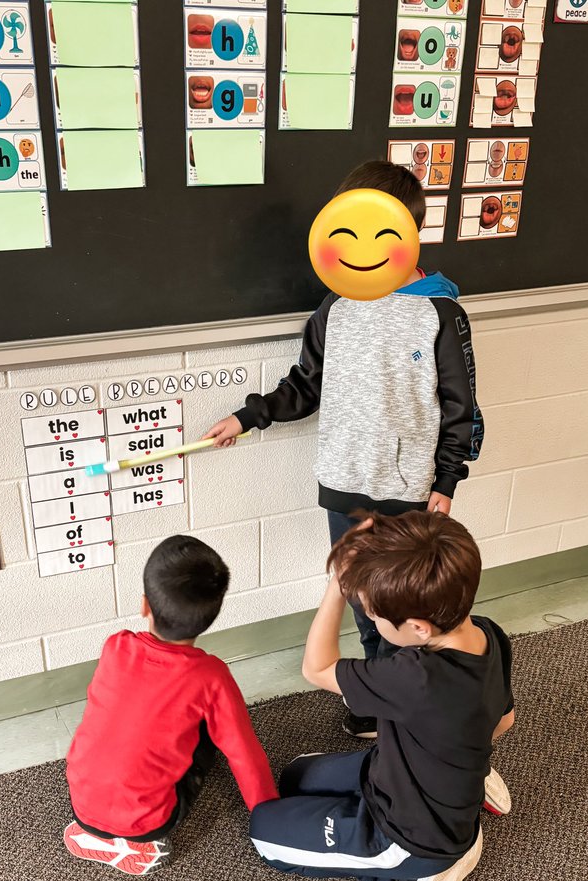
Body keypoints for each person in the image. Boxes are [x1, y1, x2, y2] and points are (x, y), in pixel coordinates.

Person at [204, 160, 481, 738]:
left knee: (411, 605)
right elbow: (305, 385)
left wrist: (447, 482)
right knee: (363, 601)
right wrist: (246, 418)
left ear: (406, 231)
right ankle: (379, 701)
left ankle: (421, 708)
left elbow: (462, 408)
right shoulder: (335, 308)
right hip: (345, 484)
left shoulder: (440, 313)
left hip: (409, 492)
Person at [249, 512, 514, 881]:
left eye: (373, 614)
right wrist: (456, 757)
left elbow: (316, 668)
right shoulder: (487, 632)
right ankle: (465, 795)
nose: (371, 619)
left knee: (265, 833)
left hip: (412, 835)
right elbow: (504, 720)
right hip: (396, 772)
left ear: (420, 628)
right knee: (293, 775)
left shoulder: (414, 678)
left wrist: (338, 586)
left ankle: (433, 862)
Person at [64, 535, 276, 876]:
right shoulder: (211, 676)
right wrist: (269, 817)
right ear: (212, 617)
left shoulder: (116, 646)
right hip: (148, 820)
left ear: (145, 605)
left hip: (81, 801)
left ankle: (96, 834)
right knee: (211, 724)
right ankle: (138, 843)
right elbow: (244, 754)